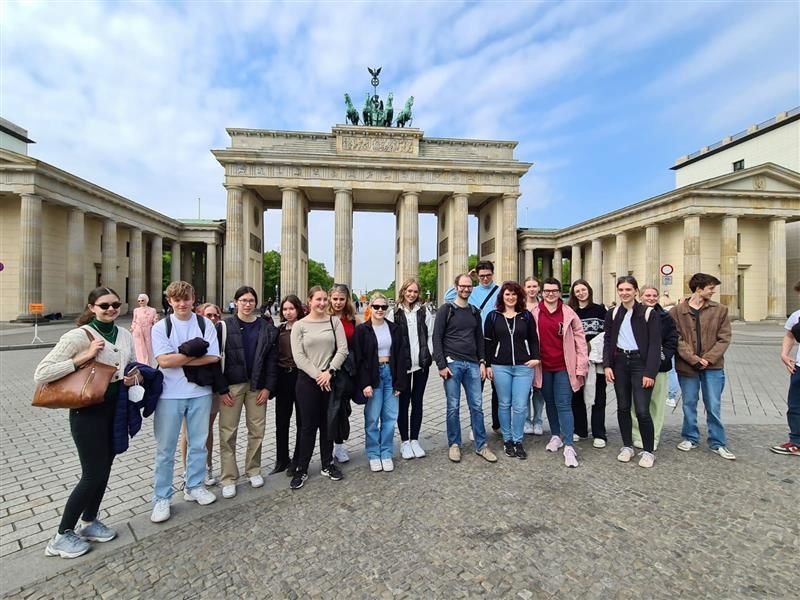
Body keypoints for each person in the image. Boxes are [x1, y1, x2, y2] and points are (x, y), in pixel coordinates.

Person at [35, 287, 139, 558]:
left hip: (114, 409)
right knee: (92, 473)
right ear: (92, 307)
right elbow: (42, 373)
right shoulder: (78, 336)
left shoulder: (124, 334)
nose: (111, 309)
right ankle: (61, 535)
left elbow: (132, 364)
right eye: (104, 305)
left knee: (104, 470)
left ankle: (89, 521)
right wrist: (83, 357)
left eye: (115, 304)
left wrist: (133, 376)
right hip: (87, 412)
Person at [150, 281, 220, 523]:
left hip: (200, 392)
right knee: (165, 449)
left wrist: (178, 357)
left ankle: (195, 485)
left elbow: (214, 357)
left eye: (186, 299)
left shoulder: (204, 323)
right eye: (177, 300)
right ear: (169, 301)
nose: (182, 304)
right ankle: (161, 497)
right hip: (169, 394)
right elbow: (163, 361)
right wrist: (193, 354)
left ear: (193, 299)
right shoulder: (161, 327)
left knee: (198, 444)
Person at [217, 286, 279, 499]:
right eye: (243, 300)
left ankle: (253, 469)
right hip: (231, 386)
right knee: (228, 432)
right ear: (236, 302)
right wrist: (221, 389)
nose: (247, 304)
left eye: (251, 300)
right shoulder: (224, 326)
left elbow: (272, 360)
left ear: (256, 303)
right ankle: (228, 477)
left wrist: (268, 387)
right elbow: (215, 358)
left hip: (257, 385)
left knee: (257, 430)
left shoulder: (266, 327)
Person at [433, 273, 498, 464]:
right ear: (456, 287)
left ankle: (481, 445)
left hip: (472, 364)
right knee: (453, 406)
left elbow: (479, 339)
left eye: (469, 286)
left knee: (477, 406)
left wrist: (482, 362)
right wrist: (441, 365)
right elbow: (437, 338)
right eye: (462, 286)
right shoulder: (446, 310)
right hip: (452, 363)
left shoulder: (474, 311)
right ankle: (454, 444)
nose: (466, 289)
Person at [670, 273, 736, 460]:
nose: (713, 291)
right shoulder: (677, 311)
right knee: (689, 403)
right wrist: (693, 359)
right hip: (687, 366)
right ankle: (690, 437)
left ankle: (717, 442)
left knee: (713, 404)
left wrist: (708, 358)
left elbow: (724, 338)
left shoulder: (720, 310)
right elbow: (676, 338)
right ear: (699, 289)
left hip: (713, 367)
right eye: (710, 288)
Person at [289, 287, 348, 489]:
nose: (322, 303)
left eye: (324, 299)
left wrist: (329, 371)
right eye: (318, 299)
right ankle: (302, 468)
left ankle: (327, 463)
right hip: (307, 381)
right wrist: (318, 375)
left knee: (328, 423)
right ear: (310, 301)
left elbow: (343, 349)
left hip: (330, 377)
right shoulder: (299, 325)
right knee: (307, 426)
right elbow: (299, 357)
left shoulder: (334, 321)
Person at [603, 276, 661, 468]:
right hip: (620, 362)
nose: (624, 293)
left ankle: (648, 451)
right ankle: (627, 446)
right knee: (623, 407)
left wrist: (650, 373)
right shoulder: (613, 313)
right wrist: (607, 365)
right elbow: (608, 340)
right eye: (621, 290)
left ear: (636, 291)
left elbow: (655, 345)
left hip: (640, 364)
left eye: (628, 289)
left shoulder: (648, 313)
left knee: (643, 410)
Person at [531, 278, 588, 468]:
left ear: (559, 292)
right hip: (543, 367)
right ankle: (556, 435)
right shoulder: (534, 313)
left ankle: (569, 444)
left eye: (554, 290)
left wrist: (581, 367)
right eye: (547, 290)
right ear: (542, 292)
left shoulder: (569, 313)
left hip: (564, 366)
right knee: (550, 402)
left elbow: (580, 341)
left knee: (564, 403)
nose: (550, 294)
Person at [484, 281, 540, 459]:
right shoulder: (493, 316)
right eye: (507, 294)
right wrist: (487, 364)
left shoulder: (526, 315)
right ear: (502, 296)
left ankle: (518, 440)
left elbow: (533, 338)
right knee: (504, 403)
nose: (510, 297)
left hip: (523, 366)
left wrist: (536, 357)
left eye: (514, 294)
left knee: (520, 405)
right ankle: (507, 439)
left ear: (519, 296)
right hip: (500, 366)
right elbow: (488, 342)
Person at [353, 293, 409, 472]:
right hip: (373, 375)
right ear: (370, 307)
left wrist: (400, 382)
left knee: (390, 417)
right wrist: (365, 383)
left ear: (387, 308)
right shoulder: (362, 330)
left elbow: (401, 355)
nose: (379, 310)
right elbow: (359, 359)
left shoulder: (394, 328)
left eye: (383, 307)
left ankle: (386, 452)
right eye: (376, 306)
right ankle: (373, 453)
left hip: (390, 373)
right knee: (372, 417)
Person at [444, 261, 502, 432]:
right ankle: (475, 427)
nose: (485, 278)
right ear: (477, 276)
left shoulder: (500, 291)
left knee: (498, 388)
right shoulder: (471, 290)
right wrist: (467, 277)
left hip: (496, 342)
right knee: (477, 389)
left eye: (488, 275)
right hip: (476, 341)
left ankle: (498, 423)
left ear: (493, 274)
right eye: (481, 275)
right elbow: (448, 297)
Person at [179, 303, 225, 486]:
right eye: (209, 315)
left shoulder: (220, 334)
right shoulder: (192, 331)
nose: (212, 318)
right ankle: (187, 470)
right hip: (189, 387)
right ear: (200, 315)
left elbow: (218, 359)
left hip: (212, 388)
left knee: (206, 430)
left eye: (215, 315)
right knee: (188, 431)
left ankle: (207, 467)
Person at [387, 278, 433, 460]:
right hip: (403, 366)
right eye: (409, 291)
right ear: (403, 291)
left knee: (418, 401)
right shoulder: (394, 313)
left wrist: (429, 354)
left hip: (421, 364)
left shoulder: (424, 311)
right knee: (403, 403)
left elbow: (430, 335)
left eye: (415, 291)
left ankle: (415, 439)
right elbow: (390, 340)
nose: (412, 294)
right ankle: (405, 441)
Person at [631, 286, 678, 451]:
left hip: (659, 366)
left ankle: (654, 436)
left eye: (654, 295)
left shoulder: (665, 317)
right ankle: (637, 435)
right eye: (647, 295)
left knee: (656, 404)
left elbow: (672, 339)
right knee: (635, 403)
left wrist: (663, 355)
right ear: (640, 296)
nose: (651, 298)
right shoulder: (632, 314)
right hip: (636, 365)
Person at [567, 279, 608, 448]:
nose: (581, 293)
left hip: (596, 359)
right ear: (573, 294)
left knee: (599, 396)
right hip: (576, 359)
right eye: (577, 291)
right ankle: (580, 429)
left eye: (583, 290)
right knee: (576, 395)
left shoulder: (600, 310)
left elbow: (607, 333)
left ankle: (599, 433)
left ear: (589, 291)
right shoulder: (570, 311)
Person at [271, 295, 305, 474]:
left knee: (301, 420)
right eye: (285, 309)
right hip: (283, 377)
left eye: (291, 308)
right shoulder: (279, 330)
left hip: (301, 376)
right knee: (281, 420)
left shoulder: (305, 327)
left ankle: (298, 459)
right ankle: (282, 459)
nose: (288, 312)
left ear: (298, 309)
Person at [328, 283, 357, 463]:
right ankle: (327, 448)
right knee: (329, 410)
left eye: (342, 299)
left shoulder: (352, 319)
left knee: (342, 410)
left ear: (347, 300)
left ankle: (339, 446)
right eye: (335, 299)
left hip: (346, 371)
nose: (338, 302)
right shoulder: (323, 318)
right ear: (330, 299)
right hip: (327, 370)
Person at [772, 280, 800, 456]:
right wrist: (784, 353)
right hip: (799, 368)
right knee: (795, 406)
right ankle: (796, 441)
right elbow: (789, 335)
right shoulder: (797, 315)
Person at [523, 276, 546, 436]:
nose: (532, 289)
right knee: (524, 389)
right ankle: (526, 421)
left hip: (541, 351)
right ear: (524, 288)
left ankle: (538, 420)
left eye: (534, 286)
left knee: (539, 389)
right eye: (529, 286)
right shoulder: (519, 306)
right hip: (523, 351)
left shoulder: (544, 306)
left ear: (539, 288)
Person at [660, 293, 682, 408]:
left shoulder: (665, 313)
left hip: (664, 347)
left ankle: (670, 395)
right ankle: (672, 396)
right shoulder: (678, 312)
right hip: (675, 345)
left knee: (670, 371)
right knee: (673, 371)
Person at [131, 293, 158, 365]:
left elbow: (154, 321)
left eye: (142, 300)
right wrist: (133, 328)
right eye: (139, 301)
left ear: (146, 300)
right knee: (139, 347)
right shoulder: (136, 310)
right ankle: (141, 363)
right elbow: (134, 320)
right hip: (138, 330)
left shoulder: (152, 310)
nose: (140, 302)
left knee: (148, 346)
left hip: (148, 330)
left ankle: (148, 363)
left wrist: (156, 321)